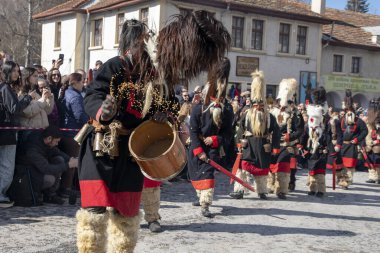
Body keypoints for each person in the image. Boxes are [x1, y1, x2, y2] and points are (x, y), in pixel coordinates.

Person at [76, 19, 178, 253]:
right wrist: (105, 110)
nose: (144, 49)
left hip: (132, 152)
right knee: (94, 212)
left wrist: (164, 113)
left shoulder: (154, 75)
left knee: (126, 213)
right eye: (140, 44)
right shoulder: (113, 67)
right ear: (129, 46)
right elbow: (93, 95)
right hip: (102, 147)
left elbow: (171, 103)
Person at [188, 57, 233, 218]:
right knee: (195, 175)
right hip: (197, 148)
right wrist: (198, 149)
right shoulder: (198, 108)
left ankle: (205, 204)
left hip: (212, 150)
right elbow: (192, 131)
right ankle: (200, 196)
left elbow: (228, 132)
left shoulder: (226, 109)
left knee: (207, 175)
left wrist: (216, 140)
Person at [229, 71, 280, 200]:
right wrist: (239, 143)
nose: (258, 108)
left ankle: (262, 191)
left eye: (260, 105)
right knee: (242, 169)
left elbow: (276, 132)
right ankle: (239, 190)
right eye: (255, 105)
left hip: (263, 146)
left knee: (262, 171)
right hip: (249, 146)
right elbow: (240, 129)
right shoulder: (246, 115)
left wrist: (275, 147)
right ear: (252, 105)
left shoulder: (269, 117)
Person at [16, 125, 78, 205]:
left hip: (37, 169)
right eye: (56, 141)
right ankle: (38, 193)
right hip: (28, 175)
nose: (57, 144)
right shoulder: (33, 149)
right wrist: (68, 165)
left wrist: (70, 159)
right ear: (49, 138)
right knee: (50, 179)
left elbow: (57, 151)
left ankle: (50, 195)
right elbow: (46, 168)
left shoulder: (44, 141)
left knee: (59, 159)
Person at [0, 61, 32, 208]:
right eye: (13, 71)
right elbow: (15, 109)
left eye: (17, 71)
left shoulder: (5, 87)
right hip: (6, 132)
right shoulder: (5, 88)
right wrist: (28, 98)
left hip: (6, 131)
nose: (16, 73)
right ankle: (1, 194)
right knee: (7, 165)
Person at [268, 78, 304, 199]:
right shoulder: (272, 112)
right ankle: (271, 185)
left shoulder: (295, 114)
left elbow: (300, 130)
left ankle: (282, 189)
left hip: (287, 145)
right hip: (273, 143)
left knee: (283, 166)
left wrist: (290, 136)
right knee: (272, 166)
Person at [300, 88, 328, 197]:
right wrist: (301, 145)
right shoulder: (308, 125)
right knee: (311, 170)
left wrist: (328, 148)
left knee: (320, 172)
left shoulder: (325, 125)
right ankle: (312, 189)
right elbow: (305, 135)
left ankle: (321, 190)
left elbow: (329, 136)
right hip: (311, 148)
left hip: (321, 149)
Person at [339, 92, 368, 189]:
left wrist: (357, 139)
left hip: (352, 146)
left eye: (351, 110)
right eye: (347, 110)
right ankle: (342, 180)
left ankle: (346, 182)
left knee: (350, 165)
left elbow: (365, 131)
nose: (349, 112)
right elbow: (339, 133)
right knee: (342, 165)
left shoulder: (359, 121)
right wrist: (338, 144)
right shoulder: (342, 120)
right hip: (343, 145)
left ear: (354, 111)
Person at [365, 98, 380, 184]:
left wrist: (377, 142)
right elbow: (368, 134)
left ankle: (378, 177)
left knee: (378, 162)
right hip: (371, 144)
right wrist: (369, 143)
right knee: (370, 161)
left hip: (377, 144)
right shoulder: (370, 124)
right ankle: (372, 177)